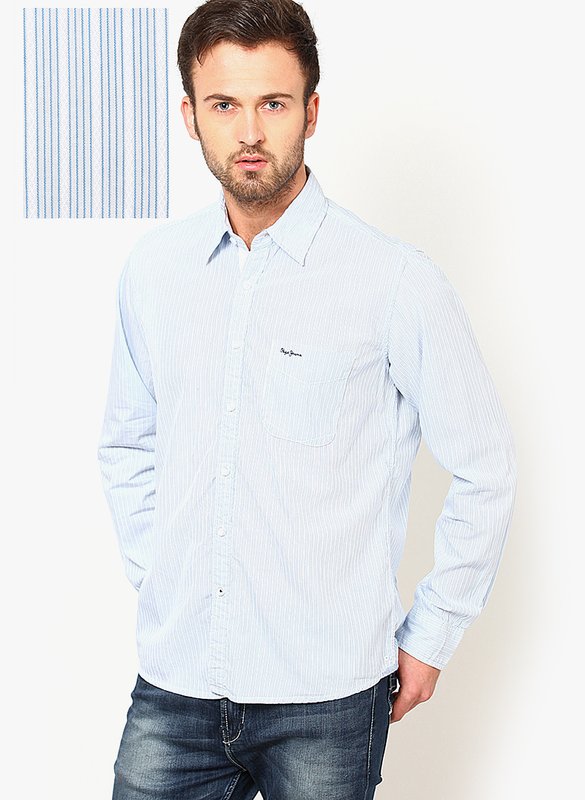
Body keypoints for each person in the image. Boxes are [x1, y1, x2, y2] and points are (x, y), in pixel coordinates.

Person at [97, 1, 517, 797]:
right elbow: (128, 444)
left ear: (311, 112)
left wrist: (431, 636)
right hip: (175, 686)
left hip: (326, 695)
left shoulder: (393, 281)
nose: (249, 131)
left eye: (273, 103)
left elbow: (485, 467)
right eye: (224, 104)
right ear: (190, 116)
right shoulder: (153, 273)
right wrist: (166, 580)